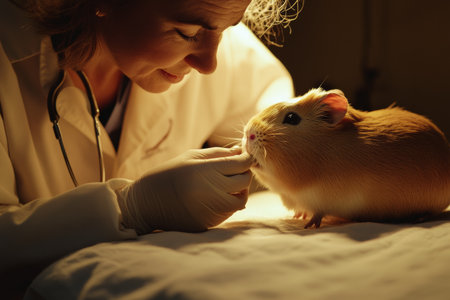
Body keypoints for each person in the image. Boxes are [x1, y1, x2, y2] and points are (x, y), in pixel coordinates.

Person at [0, 0, 296, 284]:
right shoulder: (8, 57)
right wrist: (131, 209)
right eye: (185, 34)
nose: (209, 64)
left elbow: (270, 95)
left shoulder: (207, 19)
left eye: (228, 27)